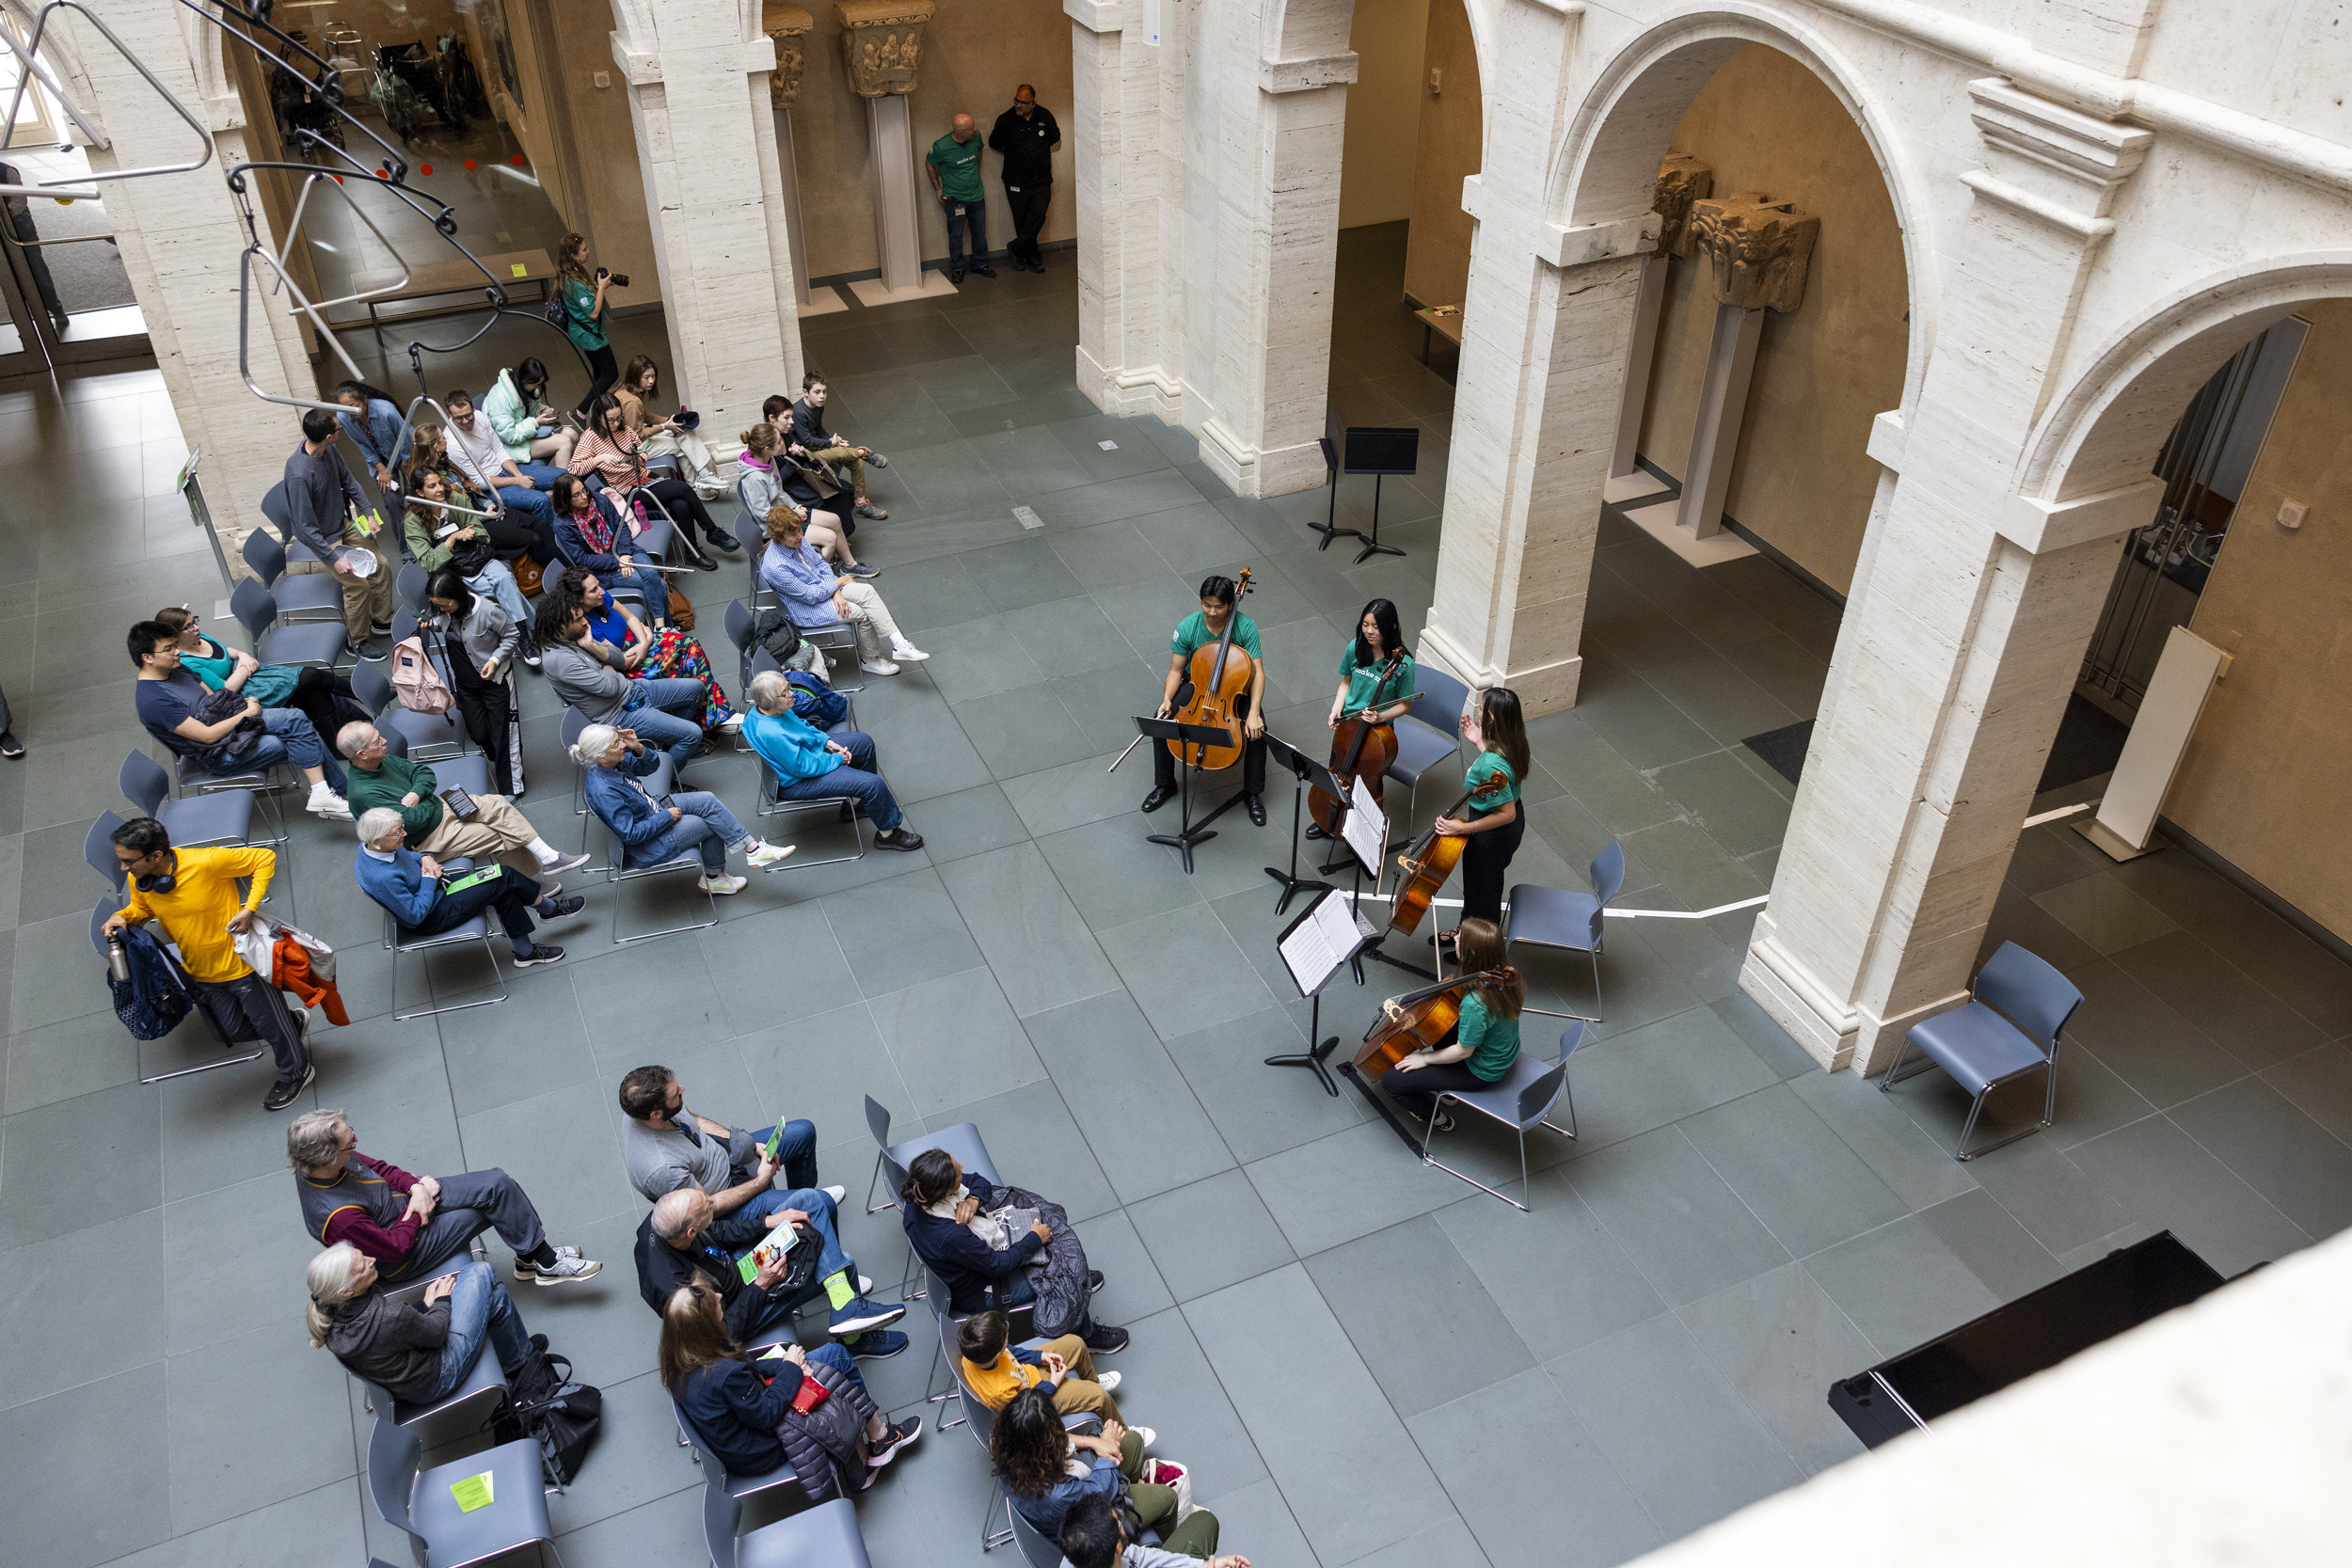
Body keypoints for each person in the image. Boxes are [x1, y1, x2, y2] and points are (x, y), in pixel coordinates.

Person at [103, 817, 315, 1111]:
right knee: (229, 1031)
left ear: (156, 856)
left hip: (242, 965)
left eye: (128, 861)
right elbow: (142, 908)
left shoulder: (207, 862)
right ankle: (288, 1025)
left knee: (270, 1026)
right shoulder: (142, 880)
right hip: (200, 970)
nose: (124, 868)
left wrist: (250, 909)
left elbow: (264, 857)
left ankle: (296, 1072)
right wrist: (123, 916)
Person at [659, 1282, 921, 1497]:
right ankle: (865, 1462)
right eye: (713, 1302)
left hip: (742, 1428)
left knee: (832, 1357)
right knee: (830, 1375)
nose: (719, 1295)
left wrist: (787, 1363)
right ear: (705, 1326)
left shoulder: (683, 1357)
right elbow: (768, 1414)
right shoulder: (724, 1375)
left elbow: (750, 1369)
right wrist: (792, 1369)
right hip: (761, 1449)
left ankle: (874, 1441)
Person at [288, 1108, 603, 1284]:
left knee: (497, 1184)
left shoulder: (333, 1158)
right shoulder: (337, 1218)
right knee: (489, 1208)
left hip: (409, 1202)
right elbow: (393, 1249)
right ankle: (544, 1260)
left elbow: (381, 1168)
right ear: (327, 1157)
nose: (355, 1141)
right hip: (405, 1250)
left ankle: (529, 1257)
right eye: (349, 1141)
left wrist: (416, 1187)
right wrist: (417, 1210)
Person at [900, 1148, 1126, 1353]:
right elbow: (998, 1265)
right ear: (948, 1192)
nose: (961, 1167)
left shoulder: (918, 1199)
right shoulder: (951, 1236)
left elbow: (979, 1181)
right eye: (957, 1171)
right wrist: (1034, 1239)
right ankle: (1086, 1334)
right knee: (1062, 1274)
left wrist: (973, 1199)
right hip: (982, 1290)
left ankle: (1081, 1280)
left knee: (1065, 1265)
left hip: (974, 1266)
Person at [636, 1187, 909, 1351]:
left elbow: (715, 1229)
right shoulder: (679, 1291)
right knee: (843, 1263)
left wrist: (768, 1222)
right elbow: (723, 1334)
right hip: (738, 1305)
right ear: (690, 1231)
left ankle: (844, 1306)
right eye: (706, 1206)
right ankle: (855, 1340)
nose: (712, 1202)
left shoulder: (662, 1219)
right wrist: (761, 1285)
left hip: (731, 1266)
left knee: (808, 1201)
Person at [129, 620, 352, 820]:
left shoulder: (178, 669)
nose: (177, 652)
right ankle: (340, 796)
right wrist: (245, 714)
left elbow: (215, 700)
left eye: (175, 645)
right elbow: (207, 737)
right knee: (303, 737)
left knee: (296, 720)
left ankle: (326, 794)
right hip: (220, 754)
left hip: (231, 728)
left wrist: (244, 704)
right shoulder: (153, 701)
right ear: (147, 658)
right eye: (168, 649)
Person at [338, 719, 583, 881]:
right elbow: (410, 823)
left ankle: (549, 858)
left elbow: (423, 773)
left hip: (442, 805)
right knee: (499, 835)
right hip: (428, 836)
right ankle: (530, 885)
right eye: (377, 741)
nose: (385, 741)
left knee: (498, 804)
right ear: (362, 754)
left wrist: (415, 793)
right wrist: (426, 798)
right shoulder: (364, 793)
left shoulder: (382, 759)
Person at [574, 722, 791, 895]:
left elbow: (651, 766)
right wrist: (667, 817)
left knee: (707, 800)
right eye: (616, 744)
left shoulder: (611, 762)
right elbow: (631, 834)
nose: (621, 745)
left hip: (651, 808)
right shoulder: (604, 791)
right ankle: (715, 878)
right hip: (648, 845)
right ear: (600, 756)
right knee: (708, 823)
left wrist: (637, 747)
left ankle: (753, 851)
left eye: (618, 740)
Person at [307, 1242, 533, 1407]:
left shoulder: (330, 1315)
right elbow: (436, 1334)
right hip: (441, 1374)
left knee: (495, 1297)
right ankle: (520, 1364)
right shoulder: (390, 1317)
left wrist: (424, 1306)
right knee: (479, 1272)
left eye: (363, 1256)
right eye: (363, 1266)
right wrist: (441, 1300)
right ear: (347, 1291)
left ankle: (519, 1362)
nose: (372, 1260)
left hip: (406, 1383)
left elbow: (391, 1334)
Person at [354, 806, 582, 968]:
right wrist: (428, 880)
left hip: (439, 889)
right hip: (432, 914)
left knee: (503, 887)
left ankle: (526, 952)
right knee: (504, 876)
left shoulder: (375, 847)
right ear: (378, 841)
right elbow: (414, 915)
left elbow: (408, 856)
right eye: (397, 832)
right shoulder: (381, 877)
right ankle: (549, 909)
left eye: (401, 827)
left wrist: (425, 859)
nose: (404, 833)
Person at [742, 668, 924, 851]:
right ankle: (888, 834)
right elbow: (803, 768)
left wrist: (827, 742)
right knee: (873, 784)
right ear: (770, 702)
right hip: (797, 781)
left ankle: (856, 805)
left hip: (805, 756)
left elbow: (802, 727)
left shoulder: (769, 710)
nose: (792, 694)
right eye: (785, 693)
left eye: (788, 687)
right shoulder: (773, 733)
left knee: (864, 743)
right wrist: (837, 759)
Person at [994, 1387, 1200, 1548]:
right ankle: (1164, 1549)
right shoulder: (1057, 1495)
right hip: (1088, 1525)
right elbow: (1099, 1491)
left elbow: (1058, 1440)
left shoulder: (1009, 1447)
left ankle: (1132, 1488)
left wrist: (1093, 1442)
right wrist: (1107, 1447)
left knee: (1132, 1442)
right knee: (1167, 1499)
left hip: (1073, 1494)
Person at [539, 600, 722, 778]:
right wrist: (606, 664)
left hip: (633, 689)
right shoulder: (560, 661)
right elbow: (609, 687)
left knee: (696, 688)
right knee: (692, 734)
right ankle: (663, 781)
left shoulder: (580, 637)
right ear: (561, 627)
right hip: (620, 714)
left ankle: (671, 745)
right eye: (578, 619)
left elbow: (618, 657)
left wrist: (593, 646)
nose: (585, 621)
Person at [1141, 575, 1267, 826]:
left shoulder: (1246, 627)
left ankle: (1252, 793)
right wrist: (1167, 699)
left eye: (1218, 606)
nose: (1211, 612)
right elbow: (1176, 671)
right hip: (1197, 683)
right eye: (1206, 605)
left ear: (1231, 604)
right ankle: (1165, 785)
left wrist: (1253, 712)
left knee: (1257, 732)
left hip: (1234, 687)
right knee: (1161, 719)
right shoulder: (1188, 626)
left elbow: (1259, 673)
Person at [152, 604, 365, 752]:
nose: (196, 627)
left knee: (312, 692)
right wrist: (245, 668)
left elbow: (228, 651)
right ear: (175, 635)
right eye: (189, 626)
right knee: (309, 676)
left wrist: (243, 656)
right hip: (245, 695)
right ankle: (362, 696)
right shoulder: (188, 661)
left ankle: (340, 738)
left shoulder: (199, 637)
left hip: (252, 675)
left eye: (195, 621)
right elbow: (225, 690)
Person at [1380, 918, 1525, 1132]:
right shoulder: (1504, 975)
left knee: (1392, 1082)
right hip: (1498, 1051)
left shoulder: (1476, 1003)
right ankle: (1445, 1090)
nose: (1455, 938)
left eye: (1460, 939)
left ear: (1471, 953)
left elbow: (1463, 1051)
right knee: (1439, 1021)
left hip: (1481, 1070)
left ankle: (1438, 1119)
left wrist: (1425, 1058)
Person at [569, 392, 736, 567]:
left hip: (642, 477)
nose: (616, 423)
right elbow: (573, 469)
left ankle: (692, 552)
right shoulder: (590, 437)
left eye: (619, 418)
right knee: (684, 489)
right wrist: (599, 459)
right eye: (611, 420)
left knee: (681, 504)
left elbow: (642, 449)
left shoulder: (623, 428)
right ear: (598, 417)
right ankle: (712, 531)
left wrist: (640, 458)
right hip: (627, 491)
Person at [617, 1063, 819, 1206]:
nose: (682, 1089)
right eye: (675, 1094)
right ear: (656, 1114)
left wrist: (743, 1144)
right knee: (817, 1202)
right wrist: (760, 1181)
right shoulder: (662, 1168)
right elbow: (707, 1206)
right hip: (725, 1195)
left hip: (726, 1156)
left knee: (804, 1132)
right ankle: (805, 1202)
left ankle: (799, 1194)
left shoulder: (641, 1110)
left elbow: (695, 1121)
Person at [760, 506, 930, 676]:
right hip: (808, 609)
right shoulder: (775, 567)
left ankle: (900, 644)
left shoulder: (797, 540)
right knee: (863, 613)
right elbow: (809, 596)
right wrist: (839, 582)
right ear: (778, 538)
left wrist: (836, 592)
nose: (800, 536)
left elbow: (820, 565)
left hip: (824, 590)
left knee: (867, 591)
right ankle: (870, 660)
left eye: (799, 530)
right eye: (793, 534)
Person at [282, 406, 395, 660]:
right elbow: (304, 528)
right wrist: (333, 558)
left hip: (342, 523)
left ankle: (382, 619)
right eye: (337, 428)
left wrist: (367, 513)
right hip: (324, 538)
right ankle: (357, 641)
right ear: (328, 436)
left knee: (381, 564)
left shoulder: (329, 450)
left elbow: (349, 481)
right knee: (357, 585)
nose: (340, 430)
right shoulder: (299, 474)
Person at [562, 566, 735, 729]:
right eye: (593, 590)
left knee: (689, 644)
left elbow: (630, 618)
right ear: (579, 599)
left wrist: (646, 641)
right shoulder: (583, 624)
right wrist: (645, 640)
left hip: (638, 643)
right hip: (628, 662)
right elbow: (620, 661)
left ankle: (712, 716)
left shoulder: (601, 598)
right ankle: (715, 716)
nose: (600, 591)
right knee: (685, 658)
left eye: (598, 585)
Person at [1308, 598, 1416, 841]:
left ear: (1392, 627)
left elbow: (1406, 704)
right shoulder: (1355, 648)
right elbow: (1346, 681)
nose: (1369, 631)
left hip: (1377, 733)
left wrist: (1380, 716)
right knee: (1339, 771)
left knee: (1368, 781)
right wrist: (1337, 709)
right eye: (1366, 624)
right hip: (1348, 725)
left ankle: (1364, 832)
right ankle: (1330, 819)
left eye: (1376, 626)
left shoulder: (1404, 665)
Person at [1434, 686, 1530, 950]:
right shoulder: (1514, 742)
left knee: (1484, 894)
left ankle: (1478, 949)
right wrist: (1479, 742)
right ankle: (1465, 929)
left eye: (1482, 707)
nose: (1477, 709)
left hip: (1491, 832)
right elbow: (1497, 766)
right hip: (1499, 825)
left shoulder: (1491, 766)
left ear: (1492, 718)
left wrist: (1464, 828)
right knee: (1477, 887)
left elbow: (1506, 813)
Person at [403, 468, 533, 652]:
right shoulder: (413, 521)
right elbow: (429, 562)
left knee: (504, 579)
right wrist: (452, 538)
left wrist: (470, 534)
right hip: (450, 569)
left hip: (476, 557)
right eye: (432, 486)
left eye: (440, 482)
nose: (440, 489)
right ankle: (524, 633)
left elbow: (483, 534)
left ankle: (521, 636)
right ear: (419, 493)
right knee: (505, 588)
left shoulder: (456, 500)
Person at [421, 570, 528, 790]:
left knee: (504, 736)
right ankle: (498, 757)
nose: (441, 610)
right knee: (479, 734)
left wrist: (496, 660)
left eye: (444, 605)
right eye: (436, 606)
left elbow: (512, 635)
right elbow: (446, 624)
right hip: (466, 684)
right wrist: (432, 624)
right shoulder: (446, 611)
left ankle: (512, 786)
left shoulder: (488, 611)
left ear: (458, 597)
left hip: (496, 683)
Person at [736, 422, 873, 578]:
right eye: (780, 441)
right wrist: (794, 514)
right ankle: (815, 580)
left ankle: (850, 565)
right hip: (775, 529)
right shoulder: (754, 479)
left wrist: (795, 508)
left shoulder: (768, 461)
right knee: (830, 538)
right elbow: (763, 514)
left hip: (786, 514)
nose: (783, 443)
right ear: (767, 449)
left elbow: (779, 492)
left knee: (834, 520)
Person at [440, 387, 563, 561]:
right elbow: (479, 482)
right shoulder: (452, 443)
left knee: (563, 477)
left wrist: (518, 476)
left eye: (469, 415)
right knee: (540, 501)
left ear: (474, 409)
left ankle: (570, 529)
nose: (466, 421)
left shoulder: (481, 418)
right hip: (491, 487)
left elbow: (499, 450)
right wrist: (517, 481)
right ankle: (552, 549)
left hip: (506, 470)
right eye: (459, 418)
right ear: (449, 415)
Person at [958, 1308, 1123, 1423]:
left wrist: (1040, 1357)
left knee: (1076, 1343)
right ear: (996, 1354)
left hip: (1027, 1373)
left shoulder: (972, 1354)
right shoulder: (1000, 1393)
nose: (1008, 1340)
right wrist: (1053, 1383)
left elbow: (1011, 1352)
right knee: (1099, 1396)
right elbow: (1028, 1406)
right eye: (1006, 1338)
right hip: (1038, 1396)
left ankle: (1092, 1381)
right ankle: (1122, 1433)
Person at [549, 472, 670, 621]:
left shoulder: (599, 500)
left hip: (625, 550)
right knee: (660, 584)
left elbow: (621, 526)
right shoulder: (562, 524)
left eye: (584, 490)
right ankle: (665, 628)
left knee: (651, 575)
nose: (584, 496)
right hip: (605, 569)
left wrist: (624, 554)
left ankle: (661, 628)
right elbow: (581, 558)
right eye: (577, 495)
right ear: (565, 499)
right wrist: (617, 562)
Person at [616, 354, 726, 498]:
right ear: (636, 376)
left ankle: (702, 477)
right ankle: (696, 483)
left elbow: (643, 415)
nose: (651, 381)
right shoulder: (633, 402)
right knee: (680, 447)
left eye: (653, 376)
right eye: (646, 377)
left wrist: (668, 420)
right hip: (633, 450)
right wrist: (664, 427)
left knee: (681, 431)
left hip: (631, 442)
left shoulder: (625, 388)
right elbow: (637, 435)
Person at [788, 373, 888, 522]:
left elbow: (819, 430)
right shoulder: (799, 413)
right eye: (817, 392)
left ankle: (860, 505)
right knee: (844, 453)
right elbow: (807, 440)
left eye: (824, 391)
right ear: (805, 392)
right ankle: (862, 452)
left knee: (856, 463)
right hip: (805, 455)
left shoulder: (818, 407)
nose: (822, 396)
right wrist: (830, 444)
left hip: (816, 447)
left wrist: (833, 440)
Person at [1059, 1491, 1248, 1568]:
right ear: (1117, 1546)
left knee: (1204, 1522)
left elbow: (1143, 1557)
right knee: (1206, 1522)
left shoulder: (1081, 1551)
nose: (1120, 1515)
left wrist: (1204, 1565)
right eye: (1117, 1518)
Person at [989, 84, 1061, 273]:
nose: (1018, 105)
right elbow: (994, 142)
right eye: (1016, 100)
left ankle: (1016, 247)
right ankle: (1030, 256)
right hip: (1016, 181)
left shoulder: (1045, 116)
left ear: (1033, 103)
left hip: (1041, 180)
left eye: (1023, 102)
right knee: (1021, 220)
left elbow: (1055, 138)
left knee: (1038, 214)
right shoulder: (1006, 120)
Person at [555, 230, 622, 416]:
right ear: (573, 255)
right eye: (584, 250)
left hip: (585, 333)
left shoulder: (573, 272)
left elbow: (587, 299)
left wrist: (600, 287)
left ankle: (594, 409)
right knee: (610, 374)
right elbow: (593, 312)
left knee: (600, 373)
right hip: (590, 336)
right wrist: (600, 288)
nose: (588, 252)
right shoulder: (574, 282)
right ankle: (580, 412)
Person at [0, 160, 69, 337]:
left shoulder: (7, 171)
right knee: (9, 280)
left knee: (37, 271)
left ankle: (55, 309)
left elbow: (19, 199)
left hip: (20, 229)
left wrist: (5, 212)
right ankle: (24, 324)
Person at [926, 112, 993, 282]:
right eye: (971, 128)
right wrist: (937, 189)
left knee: (979, 232)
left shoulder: (975, 137)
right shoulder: (941, 147)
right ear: (959, 132)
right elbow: (929, 163)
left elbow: (979, 150)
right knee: (955, 234)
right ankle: (957, 267)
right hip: (955, 199)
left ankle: (979, 263)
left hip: (977, 197)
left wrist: (976, 171)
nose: (975, 130)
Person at [482, 356, 576, 469]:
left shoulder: (521, 385)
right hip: (508, 445)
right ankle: (565, 484)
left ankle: (576, 472)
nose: (537, 387)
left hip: (524, 431)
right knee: (564, 442)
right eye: (535, 384)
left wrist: (541, 411)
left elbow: (527, 409)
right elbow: (510, 436)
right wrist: (535, 422)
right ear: (525, 380)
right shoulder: (500, 399)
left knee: (572, 435)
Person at [334, 379, 412, 494]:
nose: (350, 411)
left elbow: (404, 435)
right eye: (345, 408)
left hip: (404, 452)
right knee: (390, 496)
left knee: (412, 490)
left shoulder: (386, 411)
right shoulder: (343, 416)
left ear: (364, 399)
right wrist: (381, 468)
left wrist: (406, 462)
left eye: (353, 406)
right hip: (378, 458)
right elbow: (361, 444)